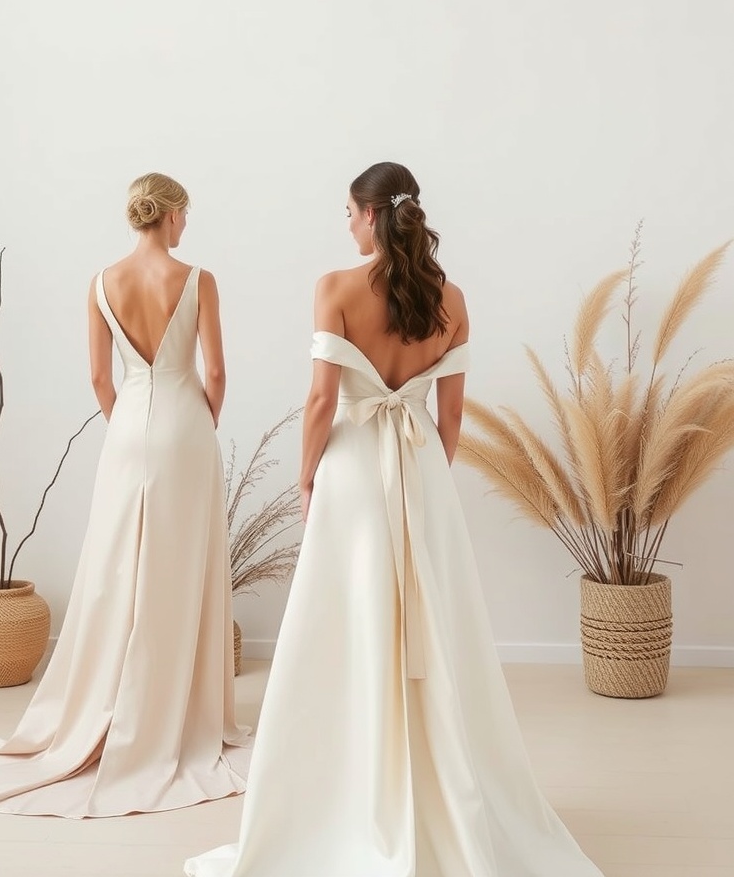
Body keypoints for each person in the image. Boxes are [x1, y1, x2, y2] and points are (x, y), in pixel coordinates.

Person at [185, 162, 603, 877]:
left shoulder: (335, 289)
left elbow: (321, 402)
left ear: (373, 216)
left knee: (342, 622)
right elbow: (451, 416)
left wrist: (306, 473)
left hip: (349, 472)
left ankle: (346, 797)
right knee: (434, 628)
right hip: (419, 473)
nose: (346, 225)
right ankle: (440, 788)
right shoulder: (454, 298)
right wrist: (425, 485)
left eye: (349, 212)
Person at [0, 173, 250, 818]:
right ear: (172, 214)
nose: (187, 225)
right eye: (187, 214)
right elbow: (218, 371)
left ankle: (111, 702)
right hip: (185, 422)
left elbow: (100, 375)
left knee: (118, 566)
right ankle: (176, 709)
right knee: (179, 567)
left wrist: (124, 423)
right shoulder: (199, 279)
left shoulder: (99, 283)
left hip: (126, 427)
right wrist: (202, 420)